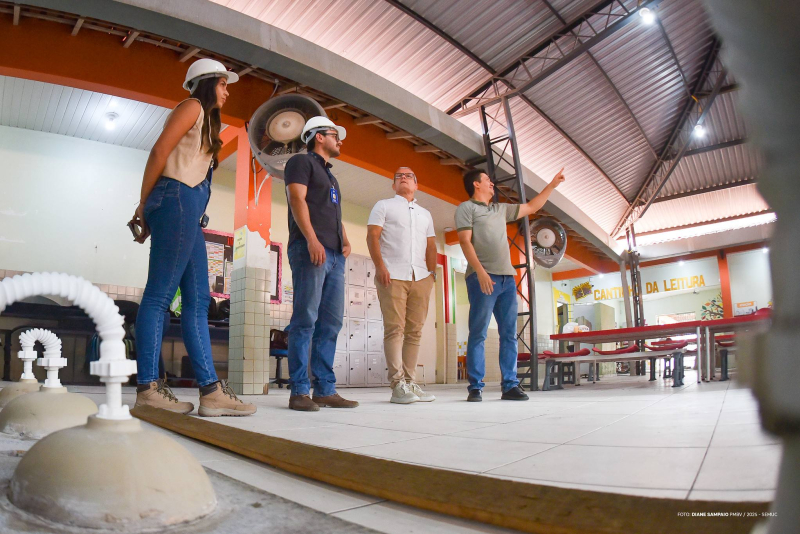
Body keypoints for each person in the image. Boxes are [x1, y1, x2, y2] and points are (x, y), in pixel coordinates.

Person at [131, 58, 256, 417]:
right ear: (207, 82)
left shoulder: (208, 122)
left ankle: (211, 391)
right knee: (159, 296)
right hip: (176, 198)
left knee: (199, 301)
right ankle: (148, 389)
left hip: (187, 208)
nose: (227, 91)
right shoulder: (192, 106)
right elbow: (159, 151)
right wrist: (144, 204)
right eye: (223, 84)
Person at [456, 168, 565, 402]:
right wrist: (480, 272)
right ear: (476, 184)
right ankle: (475, 387)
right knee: (478, 333)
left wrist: (552, 185)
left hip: (507, 279)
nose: (492, 183)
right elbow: (465, 241)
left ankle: (510, 385)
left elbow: (532, 207)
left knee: (509, 334)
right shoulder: (467, 208)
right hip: (482, 278)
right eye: (487, 180)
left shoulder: (499, 209)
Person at [283, 116, 359, 411]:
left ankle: (325, 390)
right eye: (335, 135)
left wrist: (345, 239)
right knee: (305, 320)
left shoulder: (331, 177)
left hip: (335, 255)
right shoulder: (301, 162)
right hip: (310, 249)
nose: (340, 141)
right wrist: (312, 240)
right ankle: (299, 391)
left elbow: (332, 213)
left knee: (331, 323)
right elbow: (296, 199)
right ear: (318, 136)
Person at [367, 167, 437, 404]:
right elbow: (372, 236)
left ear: (416, 185)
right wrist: (380, 267)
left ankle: (410, 382)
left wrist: (431, 274)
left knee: (415, 331)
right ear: (393, 185)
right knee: (394, 329)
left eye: (409, 176)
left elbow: (431, 246)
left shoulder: (425, 214)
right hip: (392, 274)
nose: (403, 177)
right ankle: (397, 385)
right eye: (399, 176)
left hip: (421, 277)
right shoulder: (383, 205)